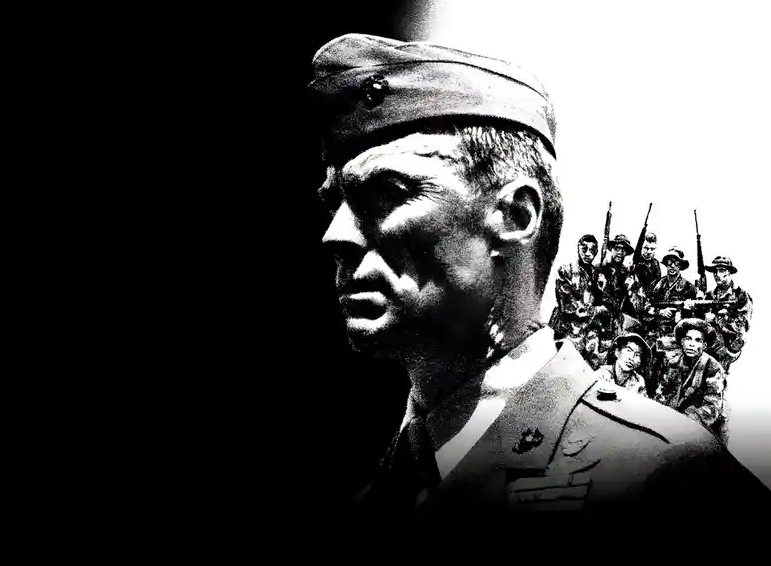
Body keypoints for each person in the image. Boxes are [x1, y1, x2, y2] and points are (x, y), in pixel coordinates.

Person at [308, 32, 769, 532]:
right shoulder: (371, 491)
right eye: (334, 203)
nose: (335, 235)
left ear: (515, 216)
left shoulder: (670, 480)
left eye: (388, 192)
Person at [652, 319, 727, 440]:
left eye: (698, 340)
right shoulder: (673, 363)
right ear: (682, 342)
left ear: (704, 345)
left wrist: (684, 421)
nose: (692, 344)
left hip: (700, 426)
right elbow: (663, 392)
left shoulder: (712, 367)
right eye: (688, 339)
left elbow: (712, 407)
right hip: (672, 419)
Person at [700, 256, 754, 373]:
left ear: (729, 273)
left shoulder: (741, 296)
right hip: (709, 344)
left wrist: (716, 319)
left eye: (721, 270)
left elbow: (741, 326)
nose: (717, 275)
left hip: (728, 347)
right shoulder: (709, 295)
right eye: (715, 271)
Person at [548, 234, 600, 340]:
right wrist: (584, 309)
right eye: (584, 249)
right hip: (564, 326)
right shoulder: (566, 270)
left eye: (592, 250)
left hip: (585, 327)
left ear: (596, 252)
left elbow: (598, 298)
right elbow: (565, 300)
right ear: (578, 249)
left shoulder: (597, 274)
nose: (588, 254)